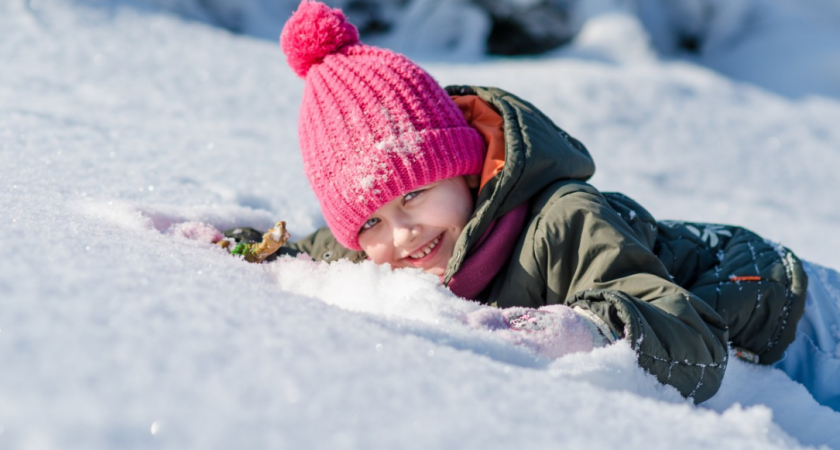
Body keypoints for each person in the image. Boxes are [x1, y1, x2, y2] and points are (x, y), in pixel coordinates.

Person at [227, 1, 840, 409]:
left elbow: (691, 343)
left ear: (467, 171)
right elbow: (319, 248)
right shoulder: (383, 245)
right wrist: (248, 247)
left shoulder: (564, 220)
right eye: (371, 220)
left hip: (791, 314)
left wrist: (578, 330)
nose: (402, 232)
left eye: (414, 193)